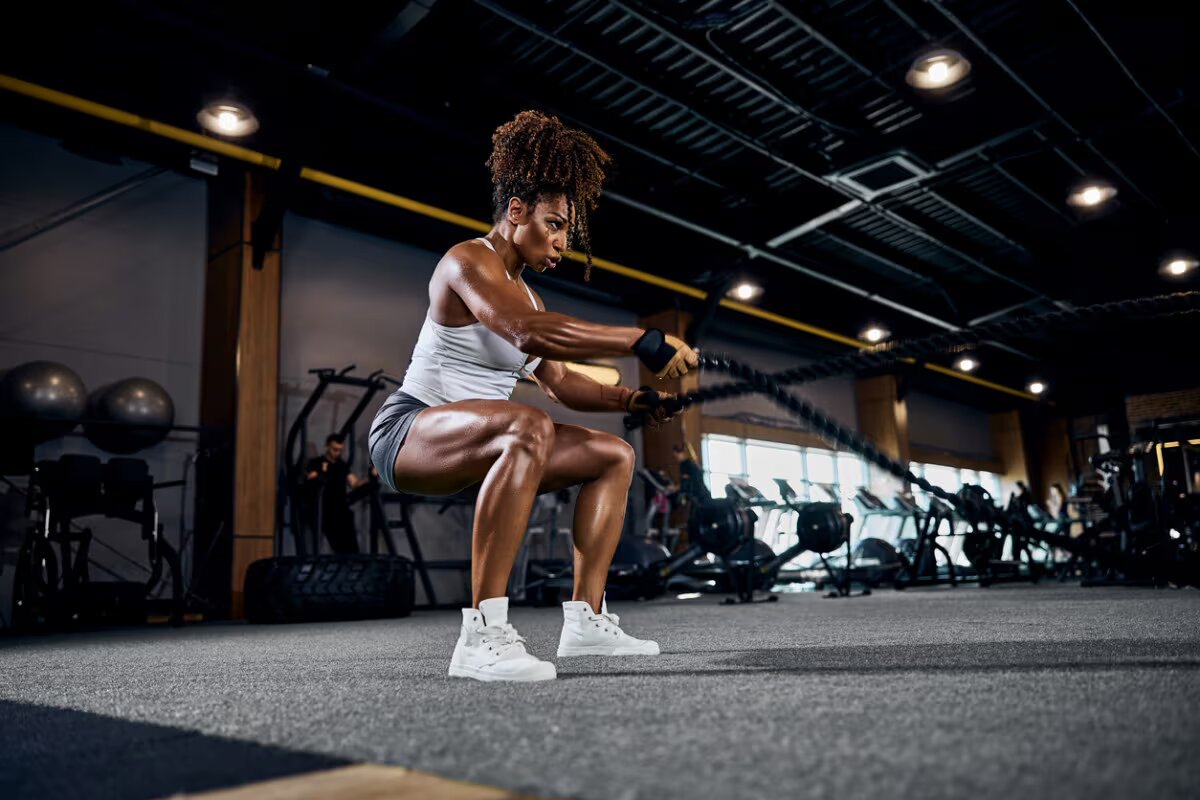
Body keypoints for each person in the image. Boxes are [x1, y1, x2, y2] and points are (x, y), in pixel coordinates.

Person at [368, 110, 698, 682]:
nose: (562, 242)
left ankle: (585, 622)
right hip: (409, 432)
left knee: (612, 456)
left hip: (481, 438)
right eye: (553, 223)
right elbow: (526, 334)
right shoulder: (468, 260)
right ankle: (481, 634)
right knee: (527, 425)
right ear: (515, 211)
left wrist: (631, 403)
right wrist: (638, 340)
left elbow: (563, 382)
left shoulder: (531, 298)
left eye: (567, 229)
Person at [303, 433, 367, 554]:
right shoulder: (316, 463)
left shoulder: (341, 465)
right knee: (336, 544)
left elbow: (354, 483)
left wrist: (370, 477)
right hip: (325, 509)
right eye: (335, 449)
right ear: (327, 447)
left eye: (340, 450)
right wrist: (320, 473)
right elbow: (310, 481)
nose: (337, 453)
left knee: (351, 545)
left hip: (341, 509)